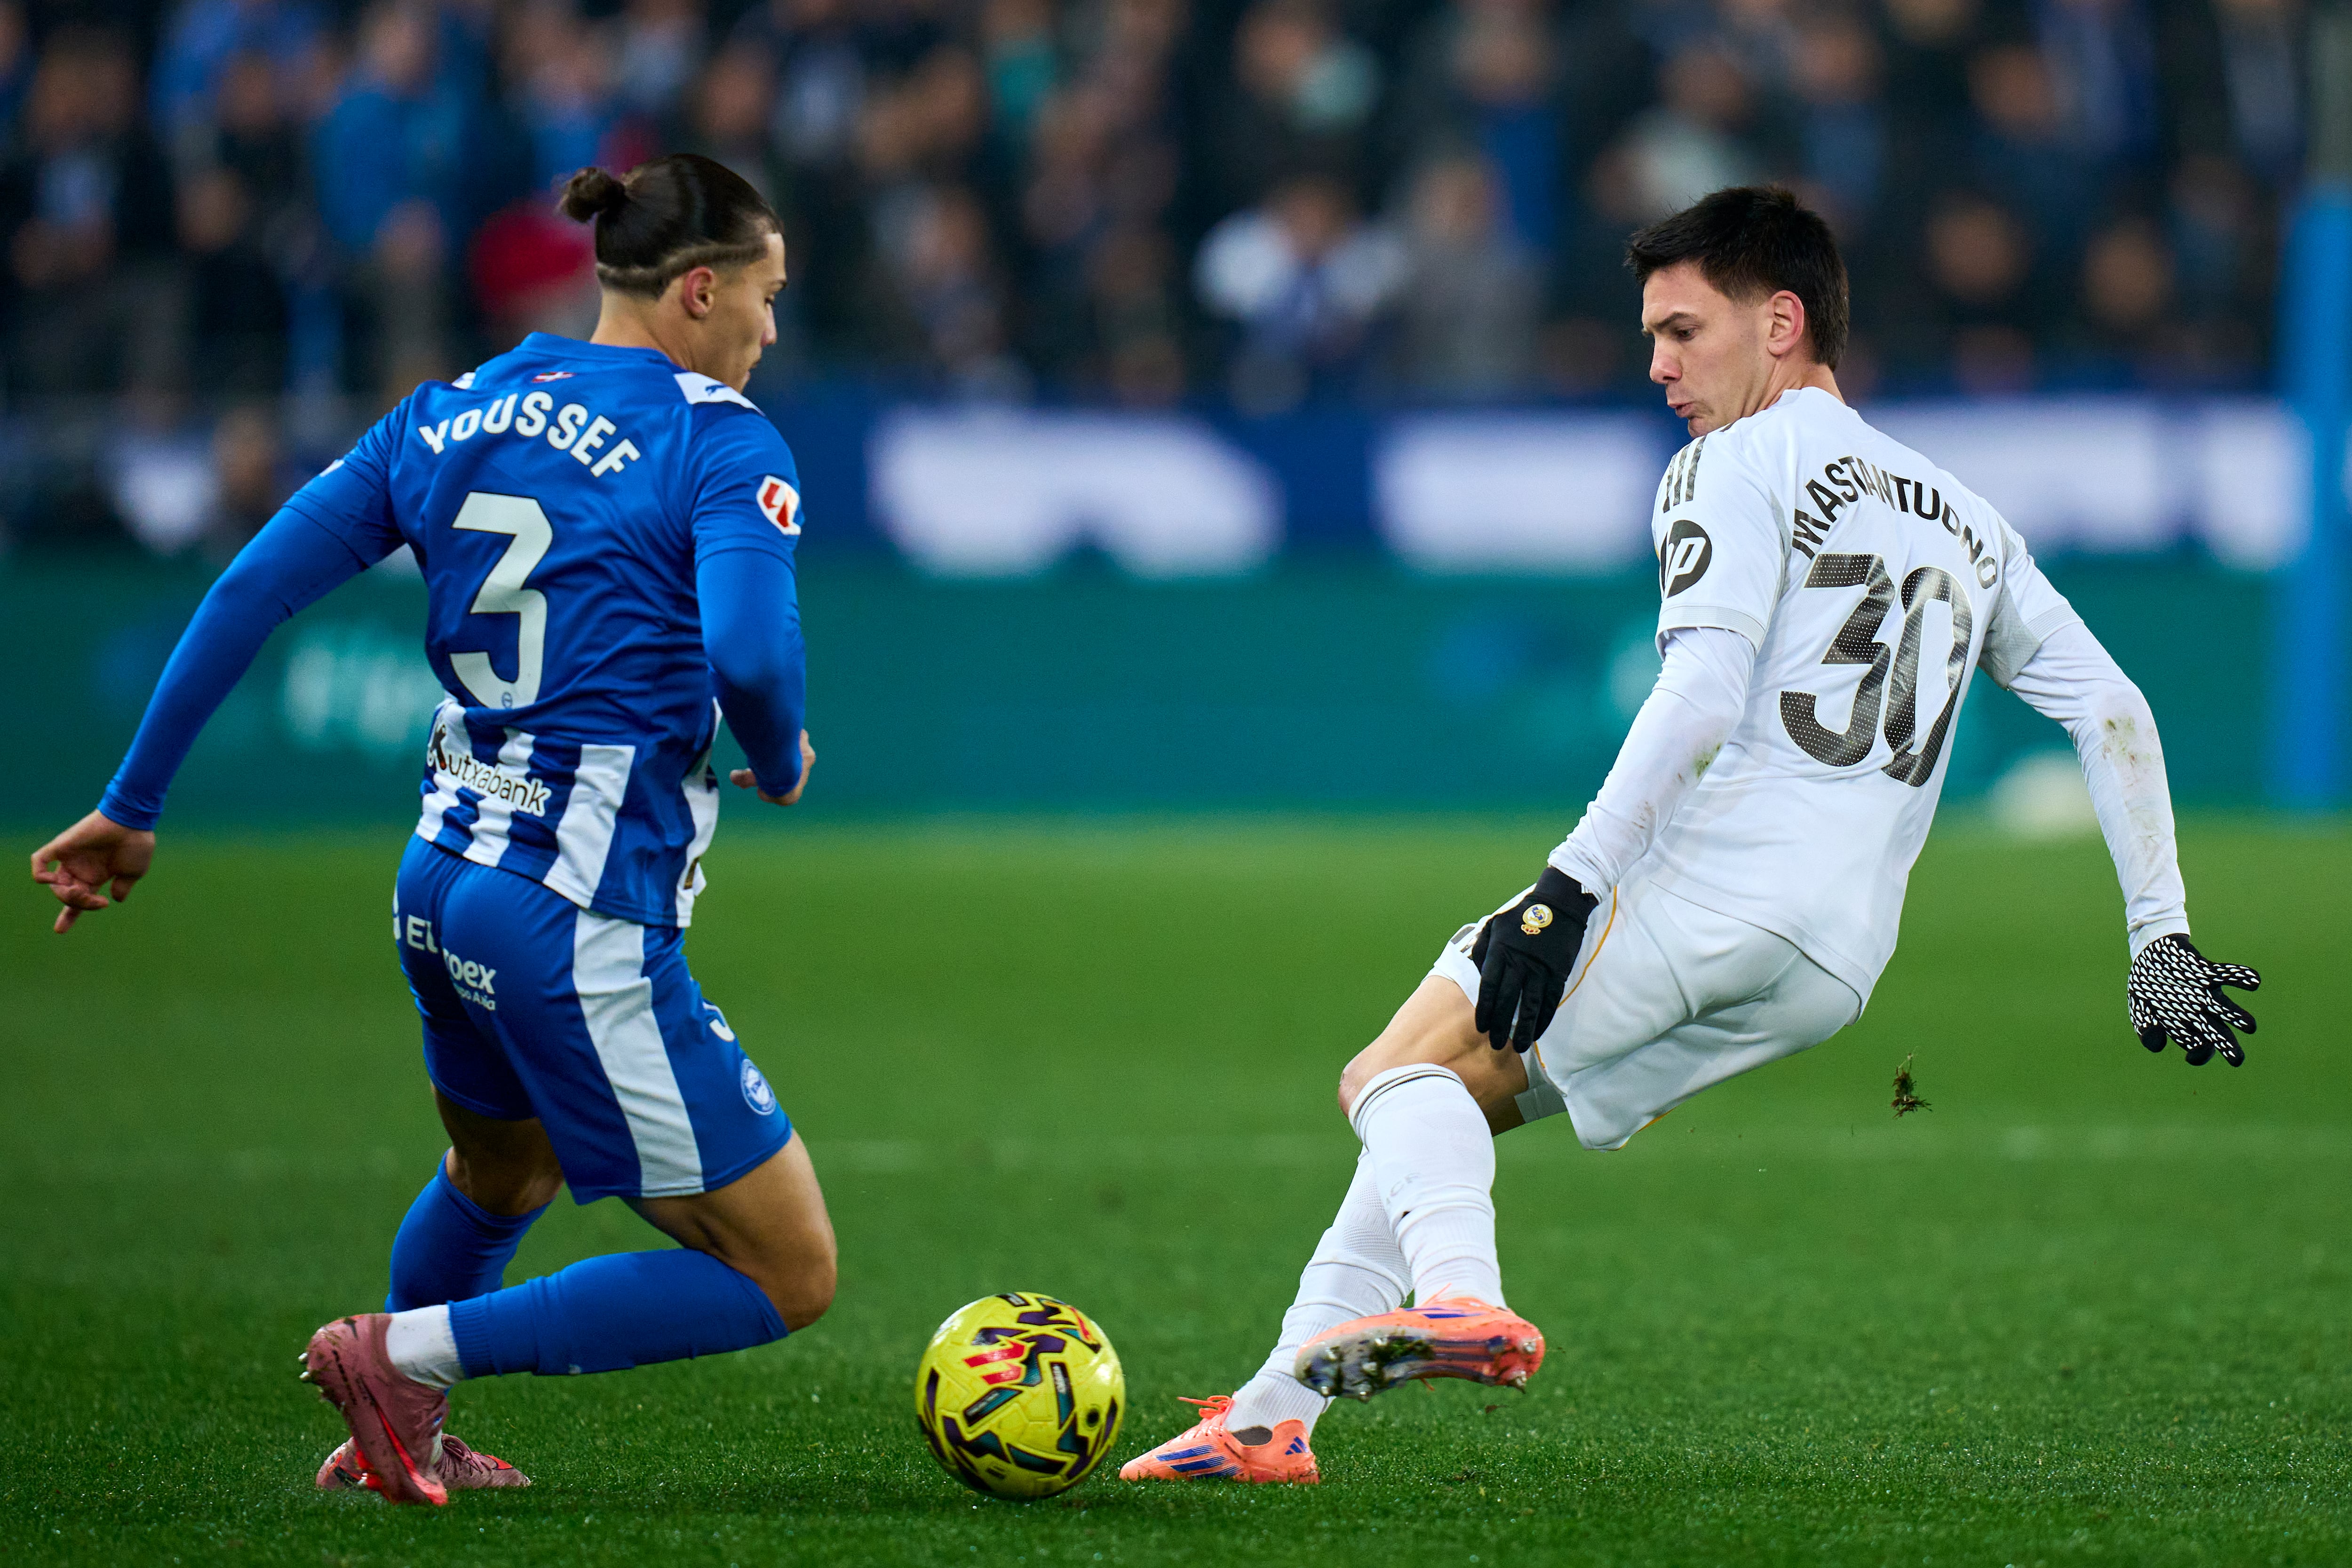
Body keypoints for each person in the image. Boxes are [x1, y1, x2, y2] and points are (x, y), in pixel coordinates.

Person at [1119, 185, 2263, 1486]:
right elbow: (2113, 705)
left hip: (1725, 883)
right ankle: (1274, 1417)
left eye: (1682, 330)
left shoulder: (1734, 462)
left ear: (1780, 323)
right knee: (1444, 1096)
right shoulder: (1964, 515)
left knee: (1388, 1079)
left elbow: (1706, 692)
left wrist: (1566, 888)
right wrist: (2159, 934)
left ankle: (1461, 1299)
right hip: (1836, 962)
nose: (1657, 365)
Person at [30, 153, 829, 1507]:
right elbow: (751, 650)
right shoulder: (721, 434)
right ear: (700, 288)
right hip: (570, 914)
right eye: (765, 295)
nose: (768, 328)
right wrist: (783, 755)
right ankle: (401, 1354)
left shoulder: (449, 410)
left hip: (441, 877)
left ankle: (396, 1439)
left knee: (497, 1170)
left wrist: (134, 804)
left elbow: (247, 587)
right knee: (785, 1271)